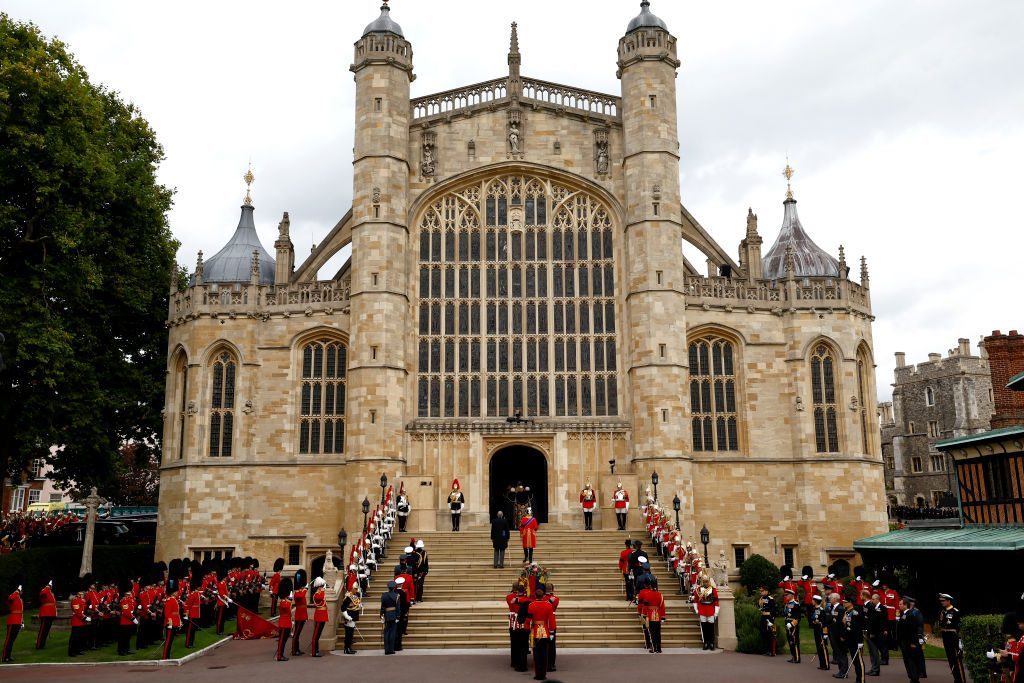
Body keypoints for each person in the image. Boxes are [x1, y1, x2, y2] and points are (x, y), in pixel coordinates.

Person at [526, 586, 554, 681]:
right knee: (544, 654)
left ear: (535, 596)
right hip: (545, 630)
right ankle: (543, 674)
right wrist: (551, 631)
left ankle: (538, 674)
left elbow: (528, 620)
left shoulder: (531, 605)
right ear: (543, 596)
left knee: (536, 654)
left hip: (535, 631)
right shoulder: (548, 605)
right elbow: (551, 620)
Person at [938, 593, 966, 683]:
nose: (941, 602)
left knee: (956, 660)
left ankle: (961, 680)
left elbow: (960, 627)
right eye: (941, 601)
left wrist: (960, 641)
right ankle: (956, 679)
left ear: (948, 601)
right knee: (950, 660)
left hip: (953, 638)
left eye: (943, 601)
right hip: (945, 638)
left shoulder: (955, 612)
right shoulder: (942, 612)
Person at [898, 595, 925, 683]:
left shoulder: (910, 615)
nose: (899, 605)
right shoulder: (904, 614)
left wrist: (913, 642)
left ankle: (915, 678)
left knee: (911, 660)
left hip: (909, 642)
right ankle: (912, 676)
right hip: (904, 641)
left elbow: (913, 630)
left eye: (901, 604)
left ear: (905, 605)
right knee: (907, 659)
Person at [839, 595, 866, 682]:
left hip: (856, 641)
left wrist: (859, 641)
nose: (843, 603)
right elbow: (847, 626)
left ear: (850, 603)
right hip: (850, 640)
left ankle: (861, 680)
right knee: (855, 661)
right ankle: (858, 679)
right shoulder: (847, 612)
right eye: (843, 602)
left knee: (859, 661)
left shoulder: (855, 613)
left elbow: (858, 628)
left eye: (845, 602)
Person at [638, 578, 666, 653]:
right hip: (658, 615)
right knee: (658, 633)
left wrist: (643, 615)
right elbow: (662, 606)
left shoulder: (648, 594)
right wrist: (663, 617)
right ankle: (659, 648)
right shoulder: (660, 595)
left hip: (650, 615)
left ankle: (654, 648)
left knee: (652, 633)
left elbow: (645, 606)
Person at [695, 573, 720, 651]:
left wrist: (716, 612)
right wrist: (696, 609)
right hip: (702, 610)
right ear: (702, 581)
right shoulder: (698, 590)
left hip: (710, 610)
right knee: (704, 628)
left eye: (707, 581)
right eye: (704, 581)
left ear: (709, 581)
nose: (705, 583)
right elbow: (695, 600)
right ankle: (706, 642)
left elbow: (716, 601)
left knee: (711, 628)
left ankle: (711, 643)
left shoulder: (713, 590)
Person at [864, 591, 885, 675]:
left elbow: (876, 622)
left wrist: (872, 632)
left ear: (877, 599)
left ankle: (876, 670)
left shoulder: (880, 608)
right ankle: (873, 668)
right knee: (871, 652)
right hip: (870, 632)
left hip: (875, 633)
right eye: (871, 599)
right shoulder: (872, 607)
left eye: (873, 599)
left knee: (874, 651)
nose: (871, 601)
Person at [3, 580, 23, 663]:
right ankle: (4, 657)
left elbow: (21, 611)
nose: (21, 591)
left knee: (12, 640)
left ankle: (8, 655)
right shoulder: (14, 596)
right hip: (12, 621)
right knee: (9, 639)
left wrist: (22, 622)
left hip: (18, 621)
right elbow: (10, 598)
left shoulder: (20, 599)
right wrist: (17, 591)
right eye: (21, 590)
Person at [380, 580, 402, 655]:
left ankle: (386, 650)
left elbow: (382, 607)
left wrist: (382, 616)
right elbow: (398, 608)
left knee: (386, 633)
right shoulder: (397, 596)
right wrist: (398, 617)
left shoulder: (384, 595)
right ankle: (391, 649)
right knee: (392, 633)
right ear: (394, 587)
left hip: (386, 615)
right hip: (393, 615)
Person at [162, 579, 182, 660]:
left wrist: (179, 622)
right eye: (176, 591)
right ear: (173, 592)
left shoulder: (174, 600)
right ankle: (165, 656)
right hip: (170, 623)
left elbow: (176, 613)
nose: (177, 592)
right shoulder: (170, 600)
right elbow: (167, 613)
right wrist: (170, 623)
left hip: (174, 622)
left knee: (171, 640)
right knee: (168, 641)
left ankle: (168, 655)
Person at [809, 594, 830, 670]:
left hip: (821, 631)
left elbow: (825, 623)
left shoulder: (822, 611)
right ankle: (822, 664)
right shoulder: (814, 609)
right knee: (819, 647)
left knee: (823, 647)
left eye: (812, 600)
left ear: (815, 601)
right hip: (816, 630)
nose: (811, 601)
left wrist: (825, 634)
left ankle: (826, 665)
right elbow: (812, 619)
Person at [291, 570, 308, 656]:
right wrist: (305, 589)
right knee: (296, 634)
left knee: (298, 634)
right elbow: (301, 596)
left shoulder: (301, 592)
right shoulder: (297, 593)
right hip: (299, 615)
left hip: (302, 615)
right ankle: (294, 650)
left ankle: (297, 649)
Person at [309, 576, 328, 657]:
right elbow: (319, 598)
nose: (323, 587)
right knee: (316, 635)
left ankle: (316, 650)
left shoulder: (320, 593)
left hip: (322, 615)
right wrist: (323, 591)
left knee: (318, 634)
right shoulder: (317, 594)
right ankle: (314, 652)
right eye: (322, 586)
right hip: (319, 615)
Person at [340, 583, 361, 655]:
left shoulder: (356, 595)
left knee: (351, 634)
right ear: (352, 588)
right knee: (348, 634)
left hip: (354, 616)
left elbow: (356, 604)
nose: (356, 590)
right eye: (355, 589)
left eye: (356, 589)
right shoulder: (348, 597)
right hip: (349, 616)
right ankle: (346, 648)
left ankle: (349, 647)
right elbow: (343, 607)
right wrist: (346, 616)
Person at [36, 579, 57, 649]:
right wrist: (47, 586)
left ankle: (42, 645)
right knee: (43, 630)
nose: (51, 586)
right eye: (50, 585)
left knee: (46, 630)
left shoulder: (51, 592)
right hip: (46, 613)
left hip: (50, 613)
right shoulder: (44, 590)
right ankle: (39, 645)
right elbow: (42, 593)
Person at [275, 577, 292, 661]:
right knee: (282, 640)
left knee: (284, 640)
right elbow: (286, 606)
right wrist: (289, 600)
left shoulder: (286, 601)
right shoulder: (283, 602)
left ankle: (281, 655)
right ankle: (279, 656)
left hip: (287, 622)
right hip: (283, 623)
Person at [117, 581, 136, 656]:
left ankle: (127, 649)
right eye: (129, 592)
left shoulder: (129, 599)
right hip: (125, 621)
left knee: (128, 636)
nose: (130, 592)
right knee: (123, 637)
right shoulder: (124, 600)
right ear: (125, 593)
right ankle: (121, 650)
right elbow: (126, 612)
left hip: (129, 621)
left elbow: (133, 606)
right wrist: (133, 618)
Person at [782, 588, 801, 663]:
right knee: (790, 641)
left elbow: (798, 617)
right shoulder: (787, 604)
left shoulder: (796, 604)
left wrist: (792, 624)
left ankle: (797, 658)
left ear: (791, 595)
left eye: (787, 595)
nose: (786, 596)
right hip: (787, 624)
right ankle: (793, 656)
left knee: (795, 641)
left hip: (793, 626)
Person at [758, 585, 777, 656]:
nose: (760, 592)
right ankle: (766, 650)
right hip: (763, 617)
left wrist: (772, 620)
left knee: (770, 634)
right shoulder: (761, 598)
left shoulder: (770, 599)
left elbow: (774, 609)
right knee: (764, 633)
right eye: (760, 591)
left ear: (766, 591)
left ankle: (771, 650)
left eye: (762, 591)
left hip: (769, 618)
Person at [69, 584, 88, 657]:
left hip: (81, 621)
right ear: (78, 594)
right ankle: (72, 651)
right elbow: (77, 612)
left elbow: (83, 609)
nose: (83, 594)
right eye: (81, 593)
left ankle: (78, 650)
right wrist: (85, 618)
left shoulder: (81, 600)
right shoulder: (75, 600)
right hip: (77, 621)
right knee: (74, 638)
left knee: (80, 637)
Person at [183, 574, 202, 648]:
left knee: (193, 630)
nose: (200, 587)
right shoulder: (193, 594)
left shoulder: (197, 593)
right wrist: (186, 614)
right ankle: (188, 643)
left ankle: (191, 642)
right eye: (199, 586)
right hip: (192, 614)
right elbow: (188, 605)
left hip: (196, 613)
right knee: (190, 630)